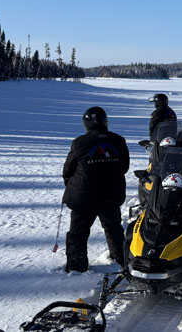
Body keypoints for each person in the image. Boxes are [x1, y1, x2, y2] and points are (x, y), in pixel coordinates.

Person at [62, 106, 130, 273]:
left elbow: (67, 171)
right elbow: (125, 166)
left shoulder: (79, 143)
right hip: (110, 194)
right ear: (105, 122)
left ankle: (77, 267)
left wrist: (73, 185)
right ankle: (121, 260)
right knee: (114, 229)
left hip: (84, 196)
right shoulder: (118, 140)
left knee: (78, 233)